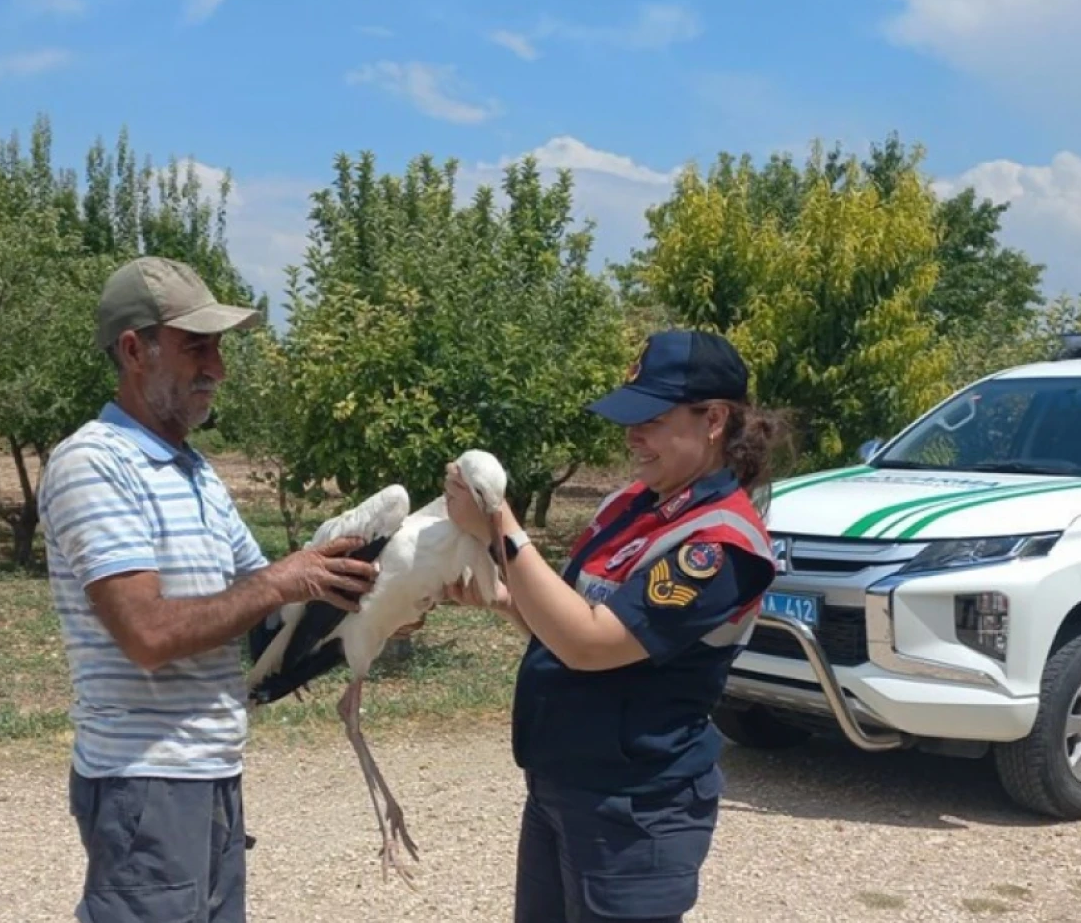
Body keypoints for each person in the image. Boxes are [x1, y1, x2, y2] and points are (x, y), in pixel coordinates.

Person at [39, 256, 387, 923]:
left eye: (219, 348)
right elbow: (148, 635)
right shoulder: (94, 463)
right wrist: (290, 577)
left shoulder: (193, 470)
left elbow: (266, 613)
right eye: (196, 347)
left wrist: (372, 604)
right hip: (146, 782)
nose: (218, 369)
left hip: (208, 774)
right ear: (134, 350)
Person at [442, 328, 788, 923]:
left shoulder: (718, 544)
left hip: (634, 808)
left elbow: (592, 643)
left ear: (713, 419)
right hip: (565, 785)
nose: (633, 436)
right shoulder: (630, 506)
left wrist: (498, 522)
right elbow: (573, 618)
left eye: (652, 418)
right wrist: (502, 599)